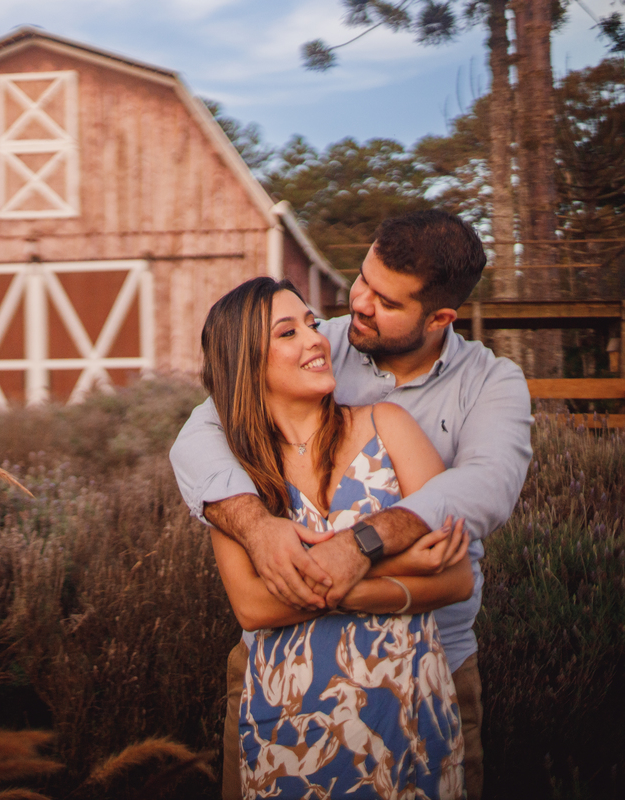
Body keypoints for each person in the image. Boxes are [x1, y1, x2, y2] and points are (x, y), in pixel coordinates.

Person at [170, 210, 533, 800]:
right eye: (361, 278)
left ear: (439, 317)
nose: (357, 304)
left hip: (424, 664)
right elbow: (201, 434)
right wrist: (258, 527)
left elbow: (485, 487)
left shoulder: (491, 384)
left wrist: (359, 550)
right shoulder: (321, 344)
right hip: (282, 681)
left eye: (385, 301)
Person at [205, 277, 472, 796]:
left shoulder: (389, 426)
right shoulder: (236, 476)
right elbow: (253, 609)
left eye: (311, 323)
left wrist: (317, 578)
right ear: (245, 360)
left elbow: (457, 577)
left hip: (408, 711)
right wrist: (403, 568)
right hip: (291, 727)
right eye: (288, 332)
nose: (315, 339)